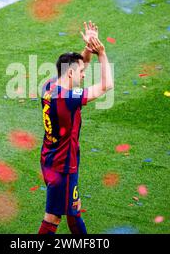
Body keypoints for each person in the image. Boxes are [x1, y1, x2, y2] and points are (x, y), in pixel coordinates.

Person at [38, 21, 114, 234]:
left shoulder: (48, 86)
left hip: (49, 157)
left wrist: (87, 49)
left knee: (74, 209)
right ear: (70, 74)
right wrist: (101, 53)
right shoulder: (69, 99)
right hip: (63, 166)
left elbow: (79, 65)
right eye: (81, 72)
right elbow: (107, 85)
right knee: (52, 218)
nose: (83, 74)